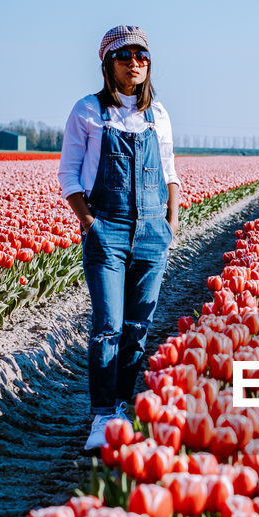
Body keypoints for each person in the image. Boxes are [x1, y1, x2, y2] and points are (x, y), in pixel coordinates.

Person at [58, 25, 181, 451]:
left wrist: (171, 224)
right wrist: (90, 223)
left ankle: (122, 409)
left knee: (137, 327)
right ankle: (101, 417)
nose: (135, 63)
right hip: (106, 229)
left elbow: (169, 173)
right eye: (125, 55)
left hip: (151, 234)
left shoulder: (158, 115)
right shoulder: (88, 111)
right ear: (108, 63)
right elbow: (69, 176)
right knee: (107, 326)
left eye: (142, 56)